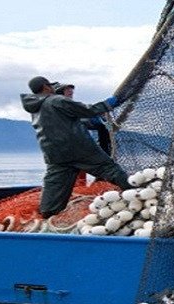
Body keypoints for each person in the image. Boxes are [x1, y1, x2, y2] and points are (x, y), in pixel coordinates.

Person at [21, 76, 132, 218]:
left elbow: (67, 121)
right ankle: (137, 191)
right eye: (50, 85)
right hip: (79, 149)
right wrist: (109, 104)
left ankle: (47, 215)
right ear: (46, 87)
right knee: (109, 168)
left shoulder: (35, 108)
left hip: (54, 154)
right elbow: (90, 110)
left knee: (54, 186)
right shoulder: (57, 100)